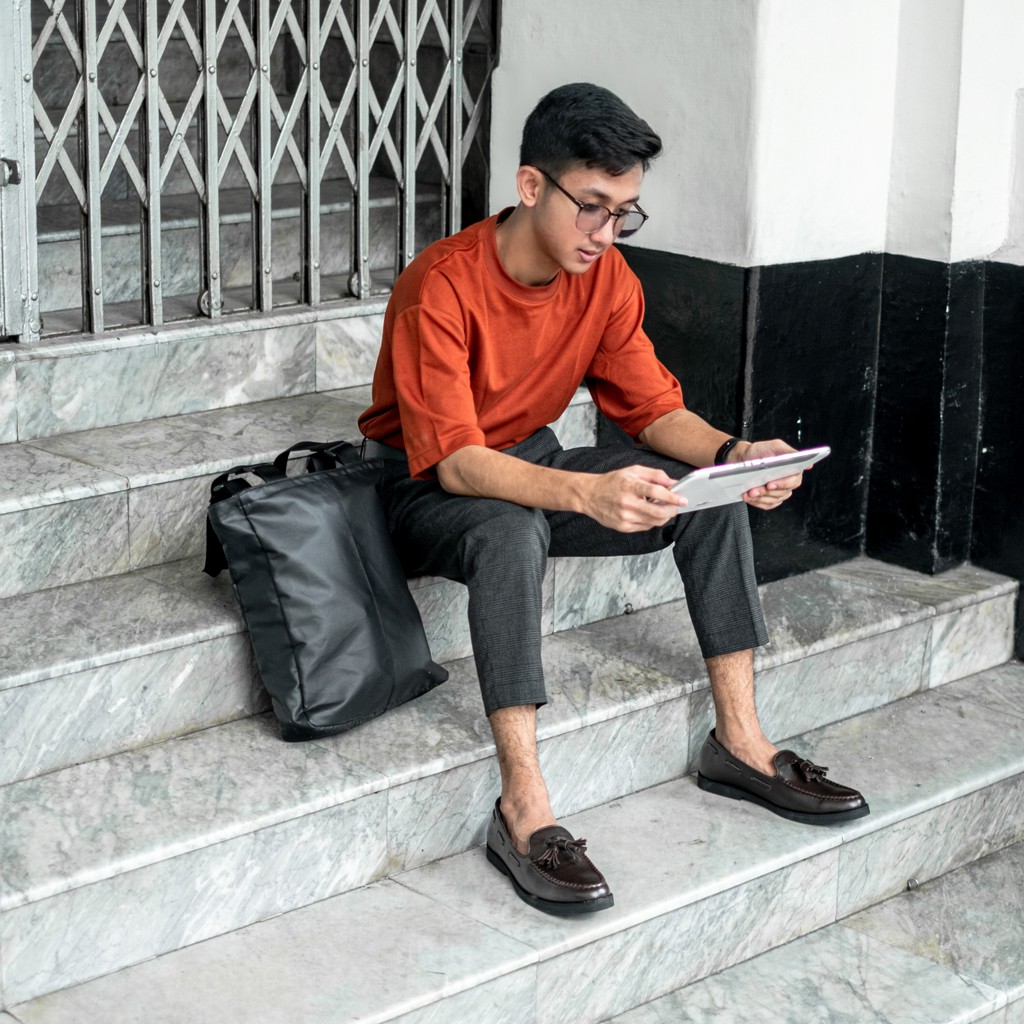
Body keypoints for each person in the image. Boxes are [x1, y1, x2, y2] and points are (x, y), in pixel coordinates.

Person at [358, 82, 868, 917]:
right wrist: (585, 491)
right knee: (510, 533)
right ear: (531, 187)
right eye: (592, 207)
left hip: (536, 464)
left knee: (705, 497)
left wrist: (737, 456)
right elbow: (454, 462)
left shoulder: (606, 280)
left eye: (625, 212)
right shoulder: (440, 284)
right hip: (418, 488)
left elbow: (653, 409)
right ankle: (523, 807)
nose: (607, 233)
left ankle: (739, 741)